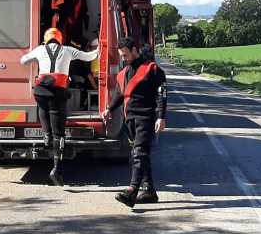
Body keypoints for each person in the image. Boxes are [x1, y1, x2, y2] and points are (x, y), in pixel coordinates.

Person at [20, 28, 98, 186]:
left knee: (42, 108)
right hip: (58, 94)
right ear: (60, 39)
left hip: (41, 91)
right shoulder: (68, 50)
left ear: (46, 39)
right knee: (59, 132)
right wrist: (99, 49)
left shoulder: (40, 49)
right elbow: (90, 57)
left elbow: (23, 61)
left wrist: (35, 56)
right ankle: (56, 168)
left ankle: (46, 134)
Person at [102, 37, 167, 207]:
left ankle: (132, 191)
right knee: (140, 155)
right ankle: (150, 191)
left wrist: (161, 116)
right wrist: (109, 109)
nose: (123, 58)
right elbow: (118, 94)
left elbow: (162, 94)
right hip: (129, 118)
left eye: (125, 55)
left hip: (145, 117)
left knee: (139, 153)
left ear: (134, 50)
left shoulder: (152, 69)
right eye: (121, 56)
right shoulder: (123, 73)